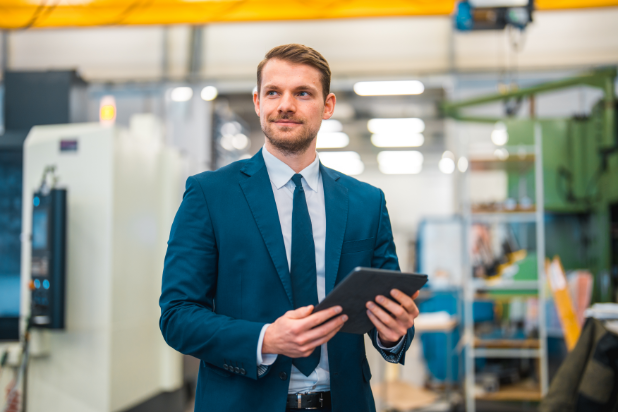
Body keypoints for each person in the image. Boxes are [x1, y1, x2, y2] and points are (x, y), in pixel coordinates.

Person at [159, 43, 420, 412]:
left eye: (302, 93)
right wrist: (265, 339)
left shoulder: (367, 202)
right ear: (257, 101)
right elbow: (177, 315)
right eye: (273, 92)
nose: (285, 104)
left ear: (327, 106)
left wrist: (393, 334)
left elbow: (391, 310)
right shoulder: (209, 194)